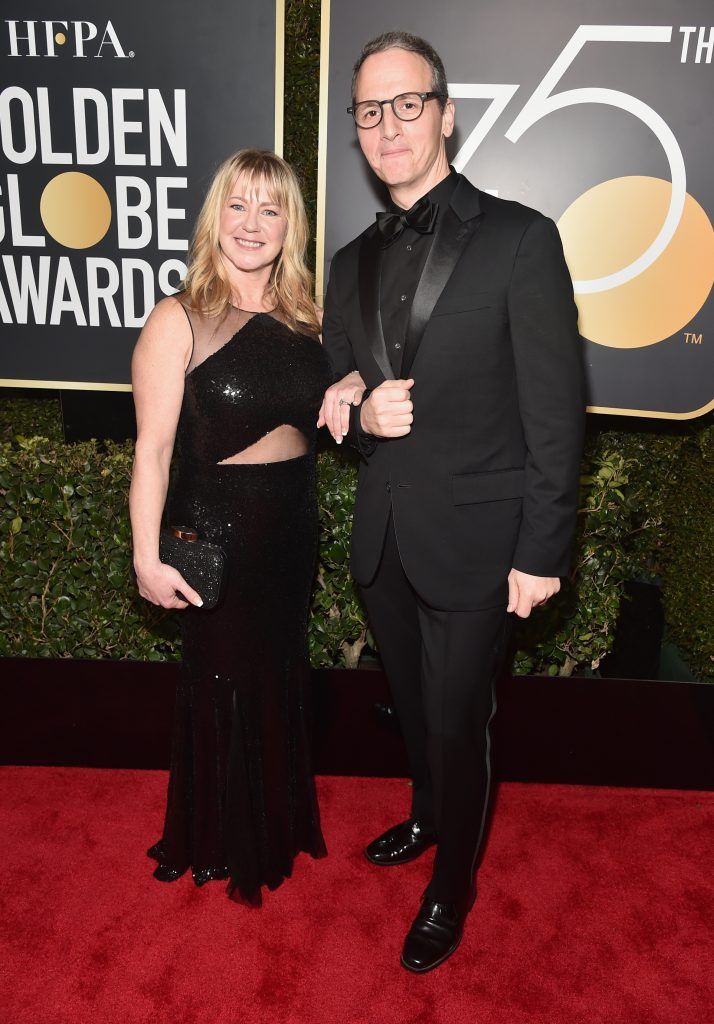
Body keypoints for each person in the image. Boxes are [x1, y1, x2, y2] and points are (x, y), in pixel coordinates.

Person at [320, 32, 585, 971]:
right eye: (368, 109)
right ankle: (429, 816)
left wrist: (543, 550)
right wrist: (351, 413)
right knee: (411, 698)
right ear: (354, 128)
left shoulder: (520, 238)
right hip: (385, 536)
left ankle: (453, 888)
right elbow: (336, 386)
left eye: (406, 103)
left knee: (456, 715)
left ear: (445, 112)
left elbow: (557, 412)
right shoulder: (347, 262)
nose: (387, 125)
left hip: (482, 539)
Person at [130, 149, 330, 905]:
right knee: (221, 683)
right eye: (239, 206)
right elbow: (150, 452)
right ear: (217, 216)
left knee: (278, 678)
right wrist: (147, 555)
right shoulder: (178, 317)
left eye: (270, 209)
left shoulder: (306, 316)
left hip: (289, 528)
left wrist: (344, 382)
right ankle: (216, 836)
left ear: (289, 227)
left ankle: (271, 820)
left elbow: (330, 398)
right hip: (216, 533)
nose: (253, 224)